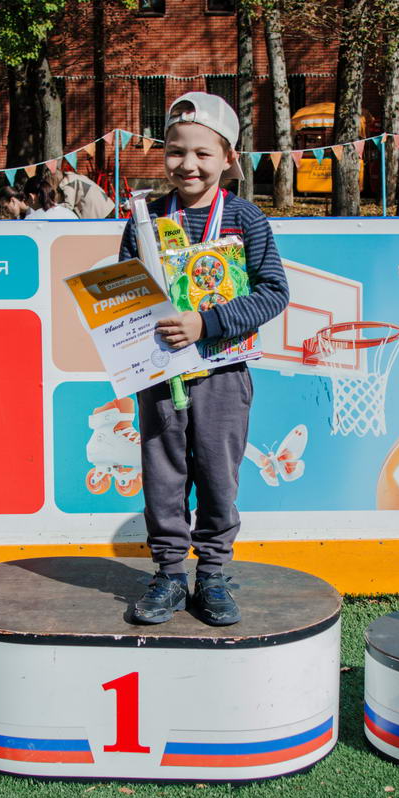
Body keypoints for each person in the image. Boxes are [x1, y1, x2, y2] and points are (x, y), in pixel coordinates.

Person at [117, 92, 289, 627]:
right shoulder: (144, 219)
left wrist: (205, 323)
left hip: (222, 375)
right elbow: (128, 294)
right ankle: (170, 573)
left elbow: (274, 293)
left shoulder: (244, 218)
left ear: (229, 158)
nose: (187, 163)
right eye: (175, 151)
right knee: (163, 474)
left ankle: (212, 573)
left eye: (202, 153)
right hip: (161, 376)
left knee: (218, 475)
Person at [46, 169, 116, 218]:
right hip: (105, 205)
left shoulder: (68, 183)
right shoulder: (72, 177)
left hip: (97, 211)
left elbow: (69, 206)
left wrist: (54, 206)